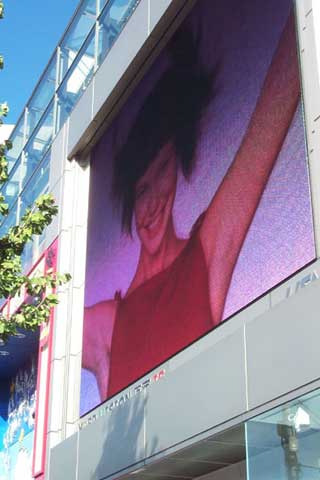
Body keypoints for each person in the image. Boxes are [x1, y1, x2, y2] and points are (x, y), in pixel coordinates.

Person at [82, 11, 300, 401]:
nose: (149, 205)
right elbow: (43, 332)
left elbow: (276, 99)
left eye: (162, 170)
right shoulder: (104, 325)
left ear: (177, 162)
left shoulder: (207, 252)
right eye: (141, 188)